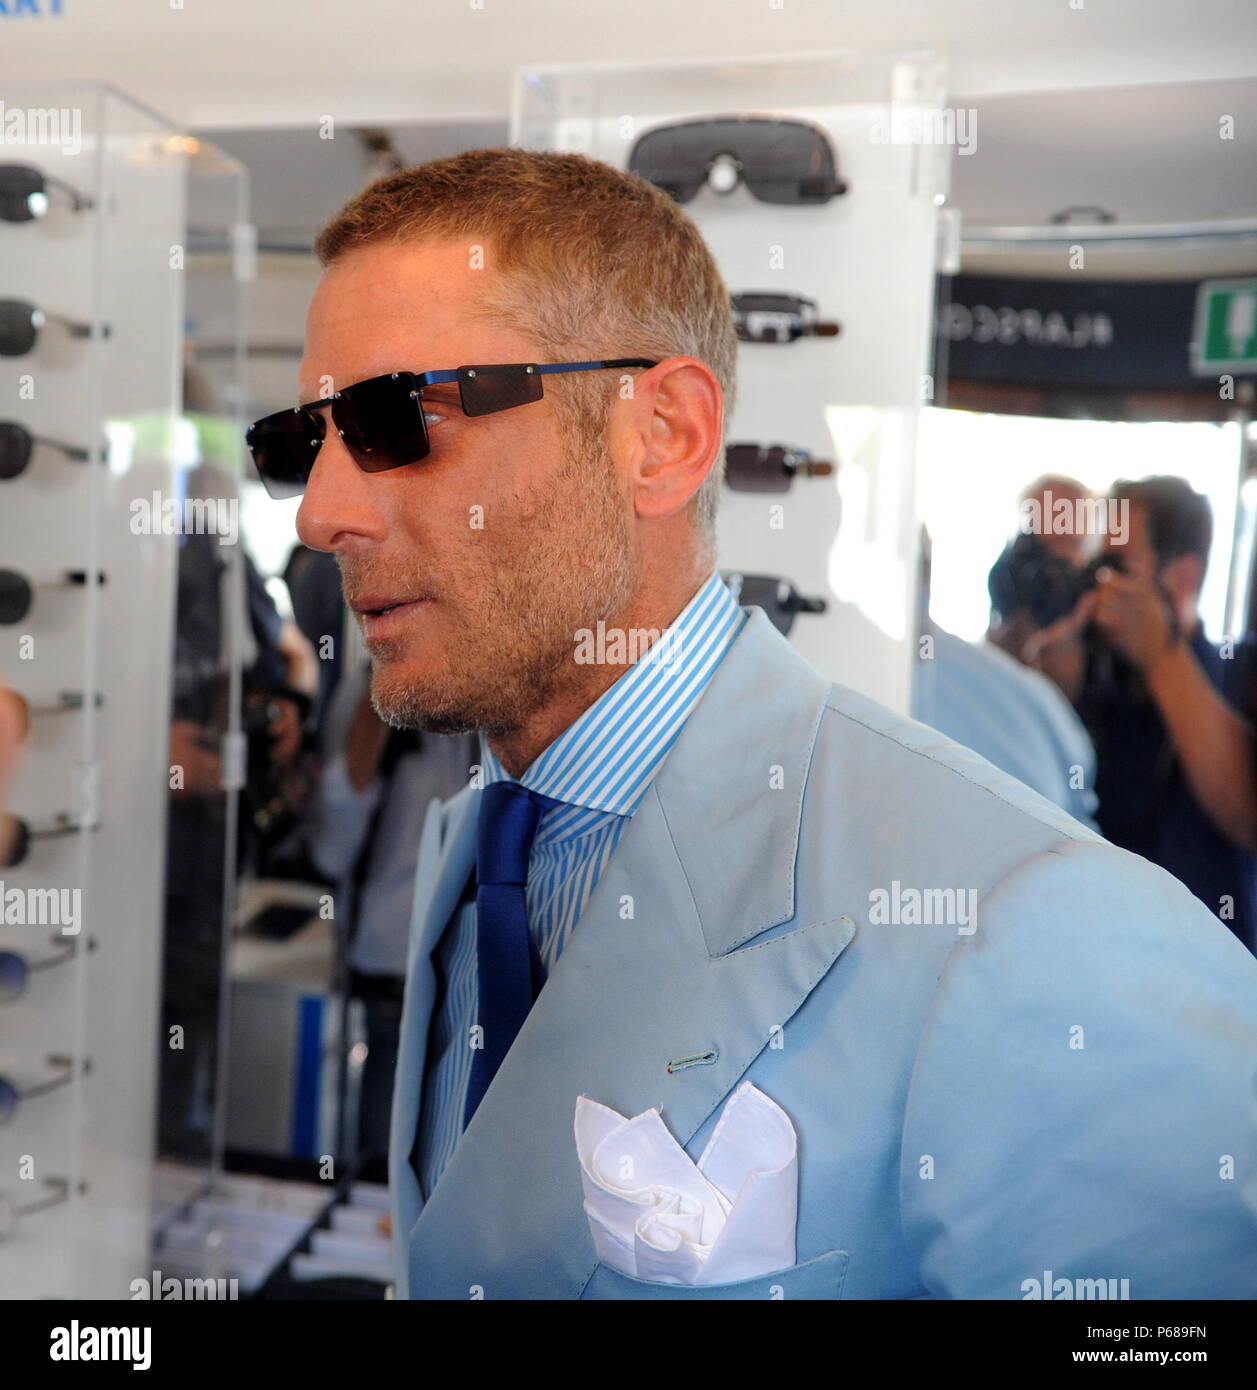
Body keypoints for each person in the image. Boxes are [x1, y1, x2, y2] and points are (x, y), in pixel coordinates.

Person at [267, 148, 1257, 1299]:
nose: (324, 512)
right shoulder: (481, 847)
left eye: (396, 417)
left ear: (665, 436)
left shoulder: (1031, 926)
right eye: (305, 443)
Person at [1066, 477, 1257, 951]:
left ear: (1185, 576)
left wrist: (1161, 655)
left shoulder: (1243, 673)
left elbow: (1246, 812)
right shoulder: (1101, 685)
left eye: (1118, 567)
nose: (1103, 587)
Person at [307, 663, 476, 1176]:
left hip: (484, 968)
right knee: (384, 1171)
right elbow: (331, 852)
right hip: (394, 970)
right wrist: (370, 726)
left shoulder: (500, 685)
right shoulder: (370, 688)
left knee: (464, 1169)